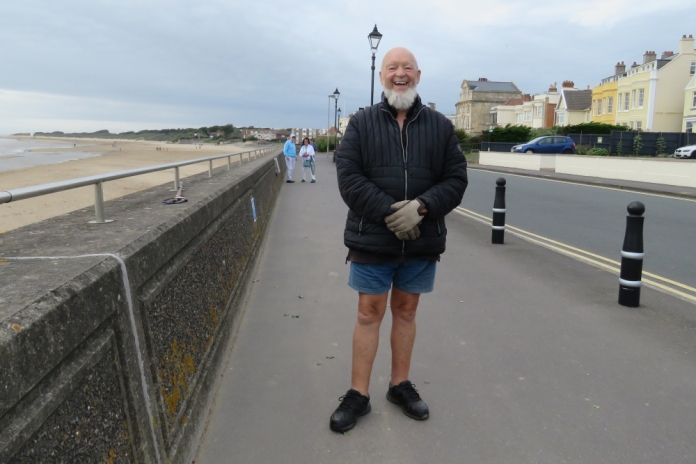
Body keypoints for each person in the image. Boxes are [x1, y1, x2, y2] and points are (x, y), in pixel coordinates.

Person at [330, 47, 468, 433]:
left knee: (406, 312)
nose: (399, 73)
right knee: (367, 313)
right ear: (382, 77)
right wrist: (393, 214)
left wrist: (421, 208)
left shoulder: (440, 126)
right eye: (392, 67)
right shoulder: (361, 123)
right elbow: (349, 178)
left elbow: (456, 179)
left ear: (418, 75)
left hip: (421, 241)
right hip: (372, 239)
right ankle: (358, 394)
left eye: (407, 68)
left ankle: (399, 385)